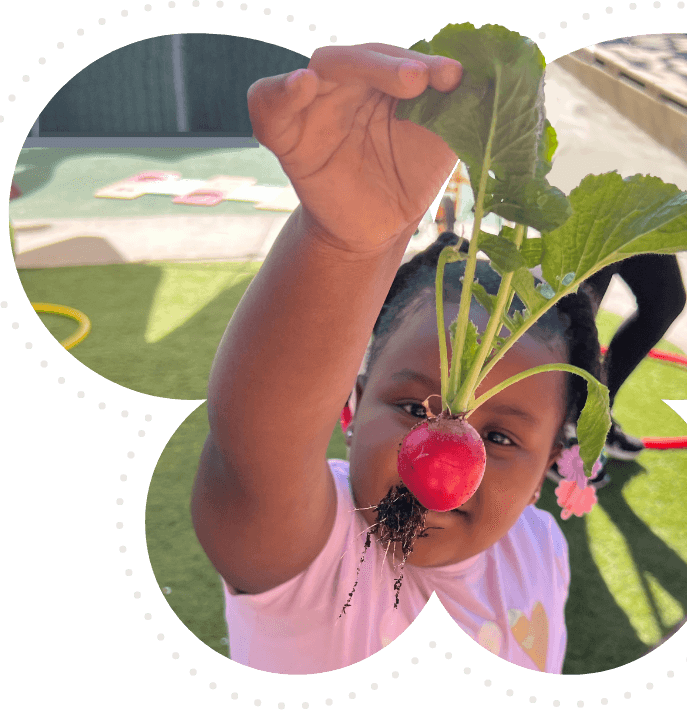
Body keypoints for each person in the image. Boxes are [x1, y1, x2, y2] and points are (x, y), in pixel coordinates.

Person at [191, 42, 609, 676]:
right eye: (413, 406)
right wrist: (345, 245)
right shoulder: (308, 556)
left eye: (499, 437)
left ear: (550, 467)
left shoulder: (541, 547)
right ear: (351, 408)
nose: (450, 465)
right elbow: (254, 450)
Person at [582, 254, 687, 461]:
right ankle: (557, 431)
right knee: (581, 308)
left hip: (645, 221)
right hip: (590, 221)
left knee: (665, 302)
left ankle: (595, 409)